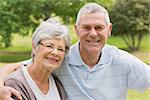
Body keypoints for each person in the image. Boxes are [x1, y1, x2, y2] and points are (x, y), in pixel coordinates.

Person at [0, 2, 150, 100]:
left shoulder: (122, 61)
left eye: (98, 28)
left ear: (109, 29)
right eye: (86, 27)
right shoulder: (60, 58)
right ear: (77, 30)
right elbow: (18, 67)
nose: (93, 34)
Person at [2, 18, 71, 100]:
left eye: (60, 49)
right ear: (34, 47)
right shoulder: (15, 84)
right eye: (49, 46)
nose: (55, 53)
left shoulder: (57, 85)